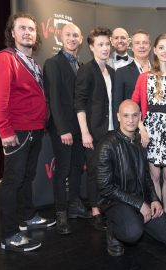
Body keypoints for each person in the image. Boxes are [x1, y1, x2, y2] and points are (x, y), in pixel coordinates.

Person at [0, 12, 55, 252]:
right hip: (16, 130)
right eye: (22, 28)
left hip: (35, 129)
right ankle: (9, 236)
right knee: (12, 181)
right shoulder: (4, 58)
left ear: (36, 35)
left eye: (31, 29)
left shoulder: (32, 62)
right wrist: (5, 131)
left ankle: (26, 218)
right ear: (13, 33)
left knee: (27, 176)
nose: (27, 32)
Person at [96, 100, 166, 256]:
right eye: (126, 115)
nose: (131, 120)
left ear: (140, 116)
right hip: (115, 202)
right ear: (118, 117)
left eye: (134, 115)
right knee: (132, 233)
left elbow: (146, 176)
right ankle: (113, 230)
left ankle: (136, 220)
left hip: (140, 200)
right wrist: (139, 204)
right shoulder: (107, 144)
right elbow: (105, 187)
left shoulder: (140, 140)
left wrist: (154, 199)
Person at [43, 24, 92, 235]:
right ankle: (61, 212)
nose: (72, 38)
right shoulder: (53, 63)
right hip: (63, 128)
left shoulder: (80, 65)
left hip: (80, 128)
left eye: (75, 35)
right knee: (62, 169)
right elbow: (53, 99)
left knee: (75, 169)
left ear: (80, 39)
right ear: (61, 38)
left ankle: (75, 205)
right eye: (68, 35)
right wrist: (63, 129)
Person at [132, 33, 166, 213]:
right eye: (161, 47)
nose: (165, 51)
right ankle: (158, 214)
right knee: (154, 177)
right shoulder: (144, 77)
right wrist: (142, 129)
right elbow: (133, 106)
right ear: (154, 50)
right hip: (151, 130)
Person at [74, 26, 115, 231]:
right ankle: (96, 212)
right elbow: (79, 102)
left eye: (107, 44)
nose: (105, 48)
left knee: (109, 172)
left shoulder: (112, 72)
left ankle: (107, 207)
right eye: (100, 44)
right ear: (91, 47)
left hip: (111, 132)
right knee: (93, 172)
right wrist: (85, 132)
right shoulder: (86, 70)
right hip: (93, 132)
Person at [112, 29, 151, 129]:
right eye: (137, 43)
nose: (141, 46)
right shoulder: (122, 72)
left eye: (145, 43)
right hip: (132, 129)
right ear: (132, 48)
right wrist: (118, 131)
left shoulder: (160, 72)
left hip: (156, 127)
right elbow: (117, 105)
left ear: (150, 47)